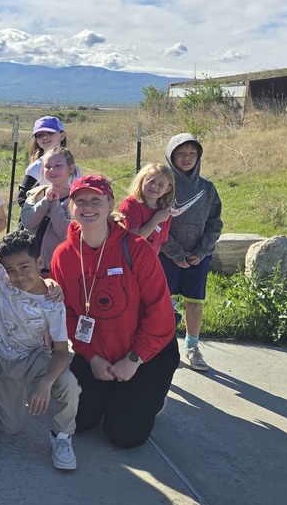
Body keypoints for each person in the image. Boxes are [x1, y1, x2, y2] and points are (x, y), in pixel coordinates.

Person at [49, 175, 179, 449]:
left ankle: (149, 396)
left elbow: (161, 312)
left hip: (146, 353)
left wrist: (134, 359)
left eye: (96, 200)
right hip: (98, 352)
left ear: (110, 205)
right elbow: (68, 314)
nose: (88, 207)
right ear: (70, 207)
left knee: (124, 436)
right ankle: (115, 393)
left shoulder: (136, 249)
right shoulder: (63, 255)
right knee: (80, 421)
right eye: (80, 201)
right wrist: (91, 356)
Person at [0, 230, 80, 471]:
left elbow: (62, 352)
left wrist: (46, 382)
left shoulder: (52, 302)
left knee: (67, 382)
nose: (18, 276)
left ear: (40, 263)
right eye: (11, 270)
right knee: (9, 428)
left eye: (25, 267)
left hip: (34, 356)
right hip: (1, 359)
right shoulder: (4, 279)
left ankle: (63, 437)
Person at [160, 134, 223, 372]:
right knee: (165, 305)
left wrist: (202, 250)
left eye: (192, 154)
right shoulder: (163, 185)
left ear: (198, 157)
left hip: (198, 257)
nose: (187, 158)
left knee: (194, 304)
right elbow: (156, 224)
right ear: (170, 155)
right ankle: (165, 347)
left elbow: (215, 222)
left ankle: (192, 347)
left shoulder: (206, 188)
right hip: (166, 256)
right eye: (181, 153)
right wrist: (175, 252)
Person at [19, 147, 78, 275]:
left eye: (58, 165)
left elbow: (64, 231)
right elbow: (27, 222)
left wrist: (55, 204)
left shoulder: (76, 200)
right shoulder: (35, 194)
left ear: (71, 168)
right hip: (29, 266)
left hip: (56, 268)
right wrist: (45, 201)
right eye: (47, 166)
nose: (52, 170)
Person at [17, 116, 80, 207]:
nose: (45, 137)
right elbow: (22, 199)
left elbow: (79, 195)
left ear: (62, 136)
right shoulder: (35, 167)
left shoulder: (75, 169)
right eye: (40, 135)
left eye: (50, 133)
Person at [118, 162, 176, 255]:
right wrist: (156, 219)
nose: (154, 186)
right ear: (142, 180)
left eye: (161, 185)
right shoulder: (131, 204)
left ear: (168, 189)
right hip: (129, 260)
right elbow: (134, 240)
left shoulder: (164, 211)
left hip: (149, 261)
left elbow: (160, 242)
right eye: (151, 181)